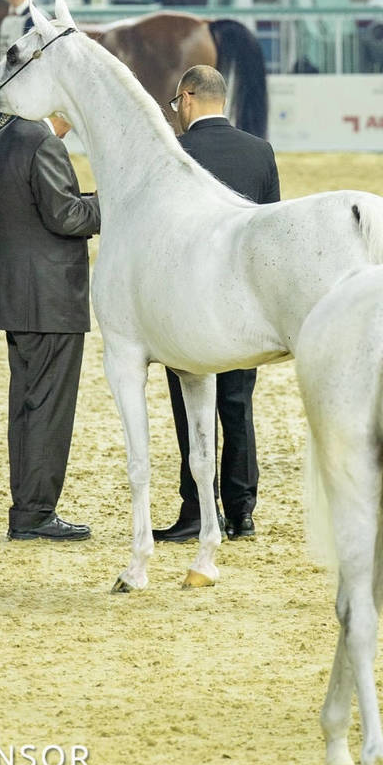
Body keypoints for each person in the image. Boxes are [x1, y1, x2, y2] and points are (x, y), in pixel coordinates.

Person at [153, 65, 279, 544]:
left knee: (191, 407)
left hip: (189, 300)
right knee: (237, 404)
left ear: (186, 98)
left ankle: (195, 508)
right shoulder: (260, 152)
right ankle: (243, 510)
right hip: (243, 301)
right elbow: (270, 231)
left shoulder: (177, 152)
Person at [0, 109, 101, 541]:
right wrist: (115, 203)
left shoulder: (7, 136)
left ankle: (28, 507)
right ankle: (35, 513)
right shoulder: (45, 143)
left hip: (18, 296)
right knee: (48, 409)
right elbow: (66, 216)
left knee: (29, 406)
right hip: (49, 298)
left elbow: (44, 207)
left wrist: (87, 199)